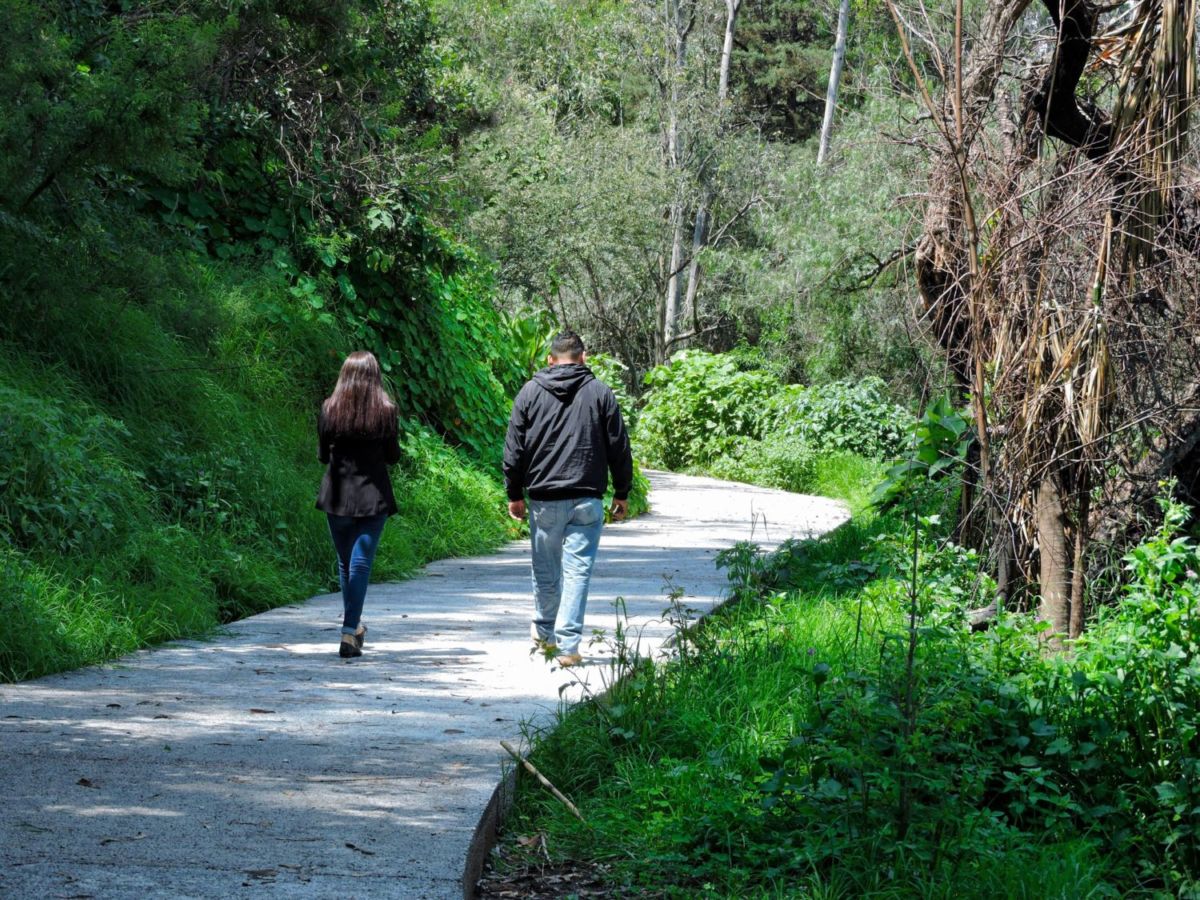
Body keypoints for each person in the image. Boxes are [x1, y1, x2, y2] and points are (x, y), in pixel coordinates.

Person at [503, 331, 634, 667]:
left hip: (544, 498)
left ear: (550, 359)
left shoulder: (530, 392)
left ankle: (545, 632)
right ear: (583, 357)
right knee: (577, 572)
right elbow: (619, 446)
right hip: (587, 498)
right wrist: (622, 491)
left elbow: (514, 449)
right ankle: (568, 647)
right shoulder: (600, 392)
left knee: (545, 570)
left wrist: (514, 494)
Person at [316, 350, 401, 659]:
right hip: (372, 496)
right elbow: (393, 456)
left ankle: (353, 628)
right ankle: (349, 631)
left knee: (345, 562)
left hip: (336, 495)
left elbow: (323, 455)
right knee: (360, 563)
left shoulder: (329, 408)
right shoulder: (386, 411)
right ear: (374, 377)